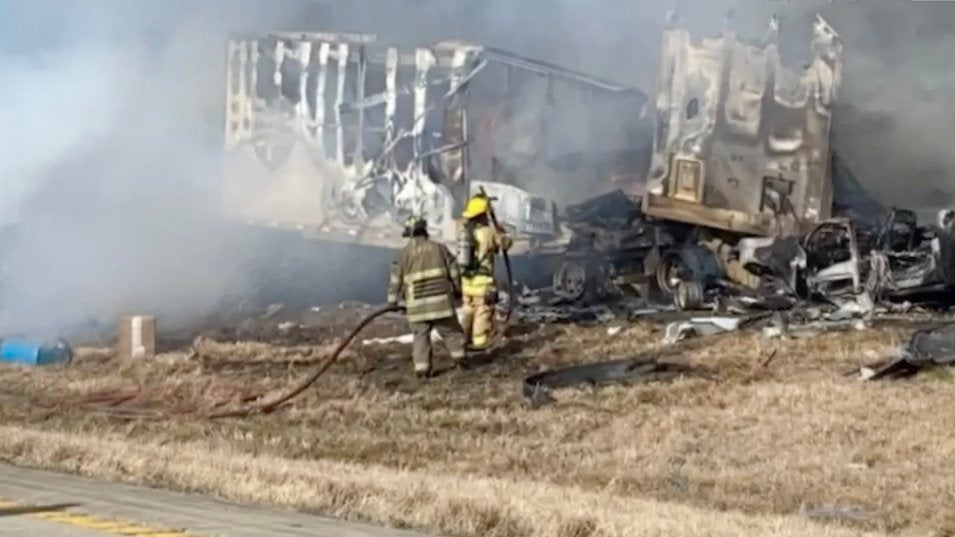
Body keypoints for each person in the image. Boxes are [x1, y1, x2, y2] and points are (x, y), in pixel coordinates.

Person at [387, 216, 467, 377]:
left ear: (410, 234)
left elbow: (395, 282)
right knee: (451, 333)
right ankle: (461, 362)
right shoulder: (440, 249)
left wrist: (392, 301)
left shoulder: (402, 256)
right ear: (425, 231)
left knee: (420, 338)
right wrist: (458, 290)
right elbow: (454, 272)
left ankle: (422, 370)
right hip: (441, 305)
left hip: (416, 308)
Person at [458, 194, 512, 350]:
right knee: (482, 314)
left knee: (467, 311)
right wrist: (501, 231)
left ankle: (462, 342)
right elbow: (505, 244)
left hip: (466, 283)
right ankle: (480, 347)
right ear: (484, 214)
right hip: (483, 285)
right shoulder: (489, 232)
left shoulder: (464, 231)